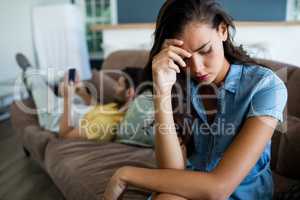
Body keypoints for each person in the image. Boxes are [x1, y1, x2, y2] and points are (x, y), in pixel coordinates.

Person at [102, 0, 287, 200]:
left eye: (205, 50)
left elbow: (218, 188)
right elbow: (172, 170)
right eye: (185, 58)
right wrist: (162, 89)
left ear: (222, 31)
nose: (197, 68)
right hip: (188, 188)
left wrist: (125, 175)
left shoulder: (265, 87)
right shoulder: (180, 82)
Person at [16, 53, 143, 141]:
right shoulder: (119, 109)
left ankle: (29, 72)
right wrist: (81, 91)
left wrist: (67, 99)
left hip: (56, 117)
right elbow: (96, 108)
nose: (115, 87)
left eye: (119, 85)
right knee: (70, 75)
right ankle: (54, 80)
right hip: (79, 109)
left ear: (129, 93)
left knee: (36, 82)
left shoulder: (106, 126)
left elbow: (65, 135)